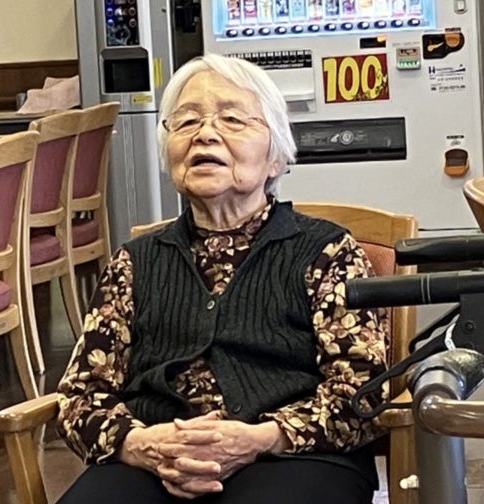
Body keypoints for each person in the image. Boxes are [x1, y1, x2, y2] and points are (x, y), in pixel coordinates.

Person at [56, 53, 388, 504]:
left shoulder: (327, 252)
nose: (206, 133)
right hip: (154, 456)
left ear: (275, 157)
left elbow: (362, 392)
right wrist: (140, 444)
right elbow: (81, 396)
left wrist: (261, 437)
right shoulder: (134, 262)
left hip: (293, 455)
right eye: (187, 121)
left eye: (232, 119)